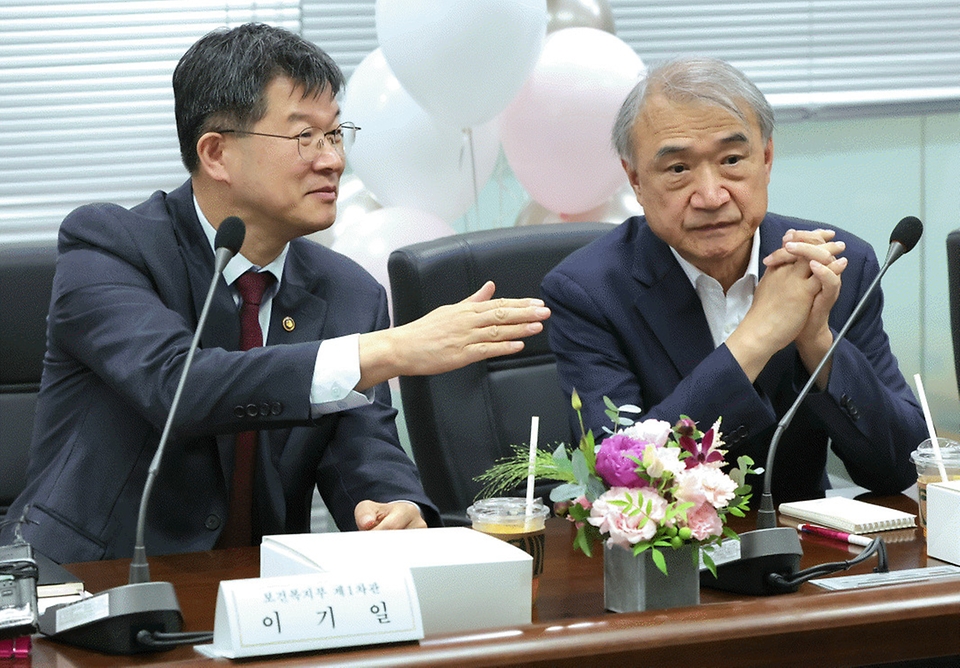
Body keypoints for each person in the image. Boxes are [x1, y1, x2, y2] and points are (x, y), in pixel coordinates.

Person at [0, 23, 550, 564]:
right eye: (303, 136)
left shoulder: (347, 290)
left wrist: (394, 504)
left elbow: (363, 446)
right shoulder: (109, 246)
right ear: (216, 153)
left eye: (335, 133)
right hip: (83, 584)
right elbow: (178, 387)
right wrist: (389, 350)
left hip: (258, 594)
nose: (332, 159)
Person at [541, 57, 925, 503]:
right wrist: (757, 337)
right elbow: (622, 479)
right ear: (636, 180)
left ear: (766, 159)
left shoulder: (836, 264)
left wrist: (817, 339)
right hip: (663, 563)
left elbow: (902, 465)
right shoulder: (588, 292)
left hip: (808, 554)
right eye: (678, 169)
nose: (711, 195)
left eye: (731, 160)